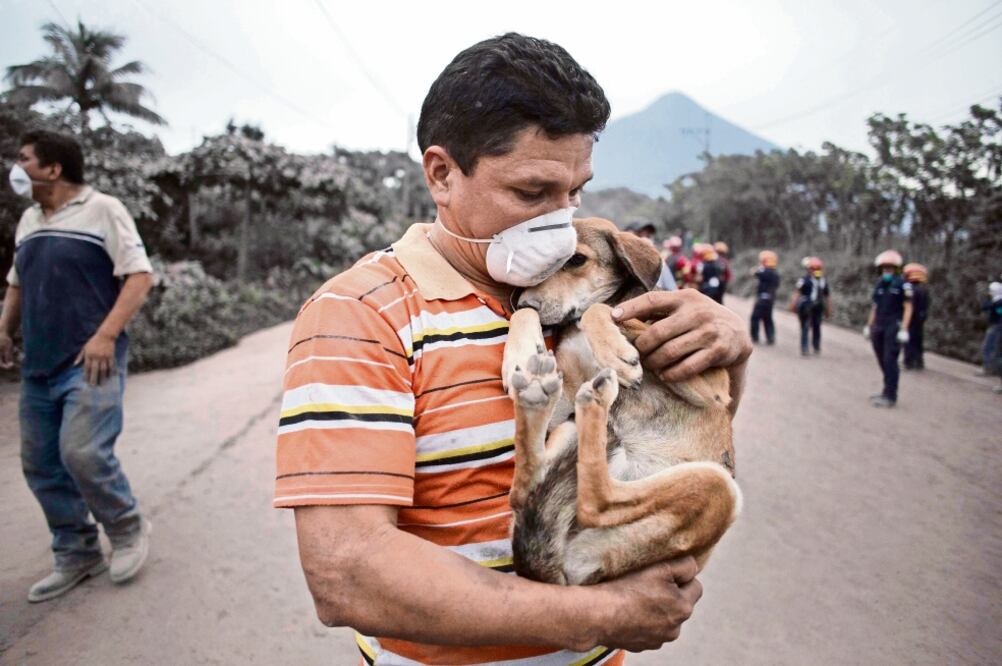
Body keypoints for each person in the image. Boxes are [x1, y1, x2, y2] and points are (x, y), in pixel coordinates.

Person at [274, 33, 752, 665]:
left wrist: (728, 355)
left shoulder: (590, 284)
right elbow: (347, 572)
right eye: (531, 194)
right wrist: (602, 615)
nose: (560, 222)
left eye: (575, 191)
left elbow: (678, 435)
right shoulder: (362, 316)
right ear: (442, 174)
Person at [0, 130, 154, 602]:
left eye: (24, 159)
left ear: (53, 169)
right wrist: (4, 329)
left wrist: (106, 335)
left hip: (90, 359)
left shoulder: (102, 208)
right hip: (39, 363)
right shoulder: (29, 219)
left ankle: (127, 529)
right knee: (41, 464)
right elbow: (18, 283)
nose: (16, 166)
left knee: (83, 452)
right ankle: (76, 551)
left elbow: (139, 275)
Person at [862, 249, 912, 408]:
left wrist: (904, 328)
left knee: (890, 359)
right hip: (880, 324)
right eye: (884, 268)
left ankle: (891, 395)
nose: (887, 271)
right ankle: (886, 389)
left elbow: (908, 307)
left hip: (894, 324)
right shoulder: (880, 284)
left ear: (896, 269)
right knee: (881, 357)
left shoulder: (903, 285)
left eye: (890, 268)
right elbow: (875, 306)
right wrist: (869, 325)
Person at [790, 256, 831, 356]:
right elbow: (827, 297)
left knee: (808, 326)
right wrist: (828, 309)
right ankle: (812, 347)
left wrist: (793, 305)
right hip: (813, 306)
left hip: (811, 306)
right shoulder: (821, 280)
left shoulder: (805, 279)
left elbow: (797, 293)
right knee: (813, 326)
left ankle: (808, 348)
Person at [625, 221, 676, 290]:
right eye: (640, 236)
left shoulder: (659, 264)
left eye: (648, 236)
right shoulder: (621, 264)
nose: (645, 240)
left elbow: (673, 290)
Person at [902, 263, 930, 370]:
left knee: (908, 339)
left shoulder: (909, 289)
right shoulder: (924, 289)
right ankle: (919, 361)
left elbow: (908, 305)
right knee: (918, 339)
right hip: (921, 317)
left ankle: (908, 361)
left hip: (911, 318)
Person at [750, 250, 780, 345]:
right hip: (771, 299)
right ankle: (770, 337)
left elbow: (752, 272)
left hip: (761, 298)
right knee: (768, 318)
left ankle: (755, 337)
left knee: (755, 317)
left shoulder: (763, 271)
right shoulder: (776, 274)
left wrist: (760, 266)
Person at [978, 280, 1002, 378]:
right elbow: (984, 306)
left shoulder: (999, 302)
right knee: (990, 347)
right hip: (994, 325)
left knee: (989, 347)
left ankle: (988, 368)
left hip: (996, 326)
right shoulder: (995, 301)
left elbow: (999, 312)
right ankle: (989, 367)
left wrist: (993, 304)